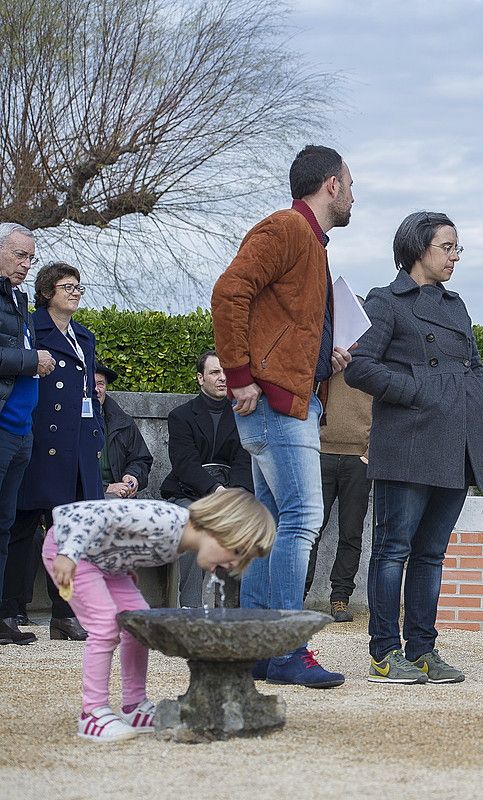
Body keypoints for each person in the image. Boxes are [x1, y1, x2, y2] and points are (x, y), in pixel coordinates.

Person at [211, 144, 355, 688]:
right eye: (350, 183)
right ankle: (288, 646)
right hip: (275, 403)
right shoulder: (288, 230)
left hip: (287, 397)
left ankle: (261, 650)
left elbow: (285, 324)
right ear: (332, 185)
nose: (353, 194)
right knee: (301, 519)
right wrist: (241, 376)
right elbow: (229, 291)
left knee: (272, 526)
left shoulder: (309, 242)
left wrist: (324, 361)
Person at [346, 211, 483, 686]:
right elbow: (358, 367)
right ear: (417, 249)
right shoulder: (385, 302)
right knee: (392, 550)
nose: (454, 256)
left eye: (458, 248)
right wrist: (419, 388)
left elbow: (474, 364)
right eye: (446, 247)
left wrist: (479, 396)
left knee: (431, 554)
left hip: (456, 441)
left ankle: (424, 649)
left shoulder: (456, 305)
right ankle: (385, 653)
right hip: (408, 441)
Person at [42, 490, 274, 741]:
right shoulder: (166, 520)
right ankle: (92, 714)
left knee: (140, 623)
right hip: (71, 551)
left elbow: (122, 538)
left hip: (107, 564)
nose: (233, 565)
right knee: (105, 625)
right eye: (238, 551)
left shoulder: (178, 544)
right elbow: (94, 516)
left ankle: (134, 705)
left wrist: (126, 567)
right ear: (220, 526)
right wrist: (68, 553)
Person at [4, 262, 102, 642]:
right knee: (23, 527)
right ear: (47, 292)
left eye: (78, 286)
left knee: (71, 533)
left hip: (77, 446)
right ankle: (10, 609)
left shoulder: (84, 336)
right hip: (40, 440)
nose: (75, 292)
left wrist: (95, 436)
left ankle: (64, 614)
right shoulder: (30, 327)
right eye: (67, 286)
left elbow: (88, 395)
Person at [159, 351, 254, 607]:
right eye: (215, 372)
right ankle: (190, 607)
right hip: (188, 494)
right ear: (200, 378)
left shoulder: (242, 415)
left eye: (226, 372)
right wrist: (215, 490)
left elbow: (243, 461)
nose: (223, 378)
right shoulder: (181, 416)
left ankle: (235, 609)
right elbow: (184, 463)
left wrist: (233, 494)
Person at [0, 223, 53, 646]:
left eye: (30, 257)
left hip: (21, 432)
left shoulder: (19, 300)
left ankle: (2, 617)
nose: (27, 264)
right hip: (1, 427)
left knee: (5, 525)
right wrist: (31, 358)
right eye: (19, 255)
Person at [304, 350, 373, 624]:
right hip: (320, 454)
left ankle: (340, 597)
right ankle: (296, 596)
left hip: (360, 458)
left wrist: (370, 452)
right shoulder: (321, 357)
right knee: (309, 530)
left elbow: (385, 407)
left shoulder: (374, 361)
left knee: (351, 533)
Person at [94, 363, 152, 500]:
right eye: (90, 384)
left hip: (120, 496)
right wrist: (105, 487)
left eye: (100, 384)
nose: (96, 389)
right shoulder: (67, 423)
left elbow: (141, 459)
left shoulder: (124, 422)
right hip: (81, 498)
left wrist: (133, 476)